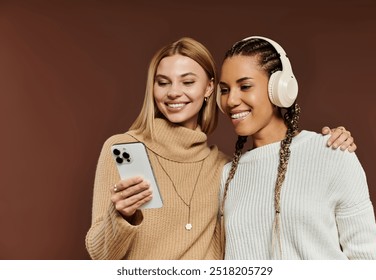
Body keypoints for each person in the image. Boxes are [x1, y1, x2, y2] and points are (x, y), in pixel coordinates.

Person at [85, 37, 357, 260]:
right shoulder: (123, 149)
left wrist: (325, 146)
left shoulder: (225, 169)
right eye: (163, 82)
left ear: (209, 89)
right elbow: (100, 255)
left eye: (188, 81)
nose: (173, 93)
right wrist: (120, 216)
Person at [218, 36, 376, 260]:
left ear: (279, 88)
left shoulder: (332, 152)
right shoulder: (228, 176)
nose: (231, 100)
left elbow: (366, 259)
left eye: (245, 86)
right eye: (225, 90)